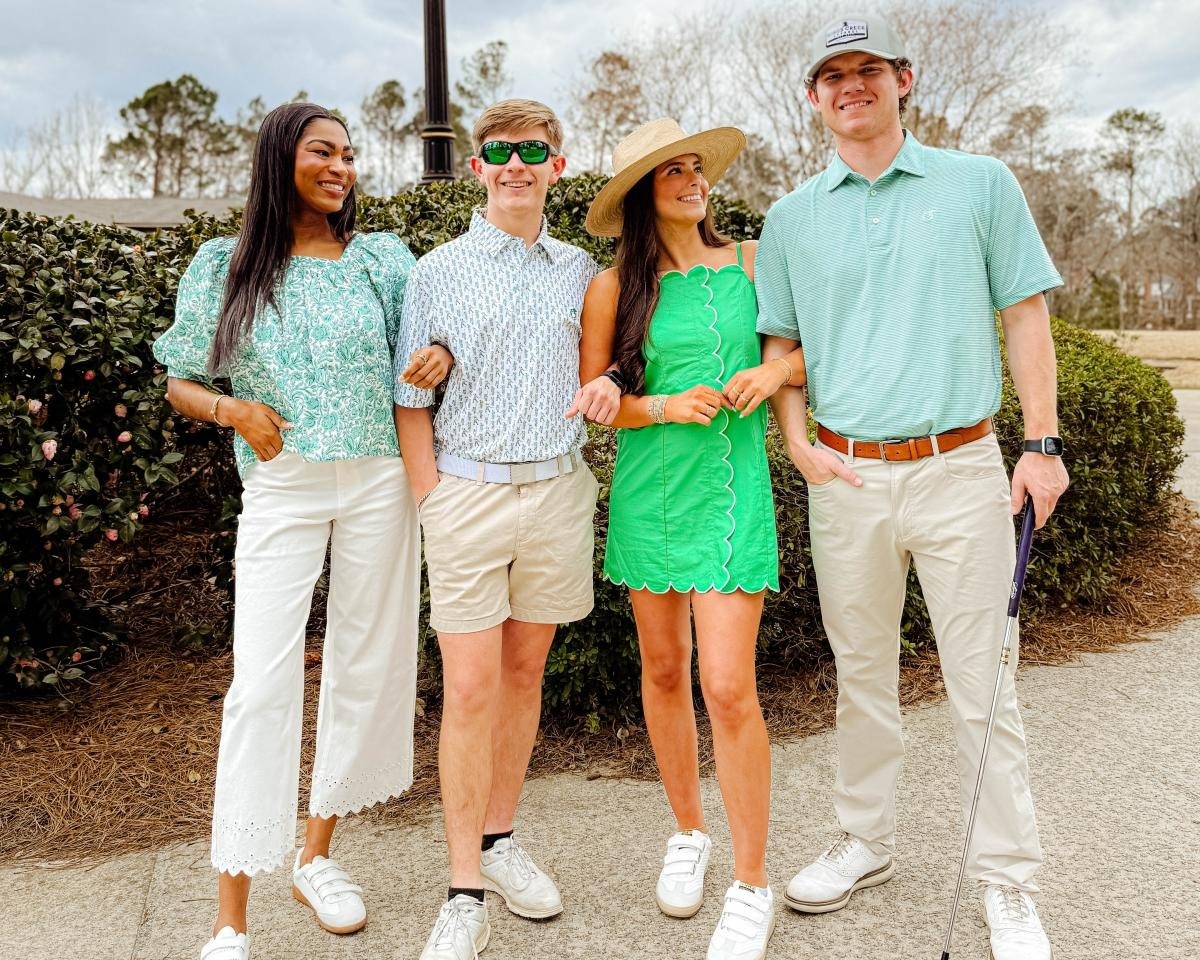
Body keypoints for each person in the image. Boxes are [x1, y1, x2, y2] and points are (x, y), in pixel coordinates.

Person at [754, 16, 1070, 960]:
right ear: (814, 96)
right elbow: (781, 348)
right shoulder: (791, 217)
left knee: (983, 682)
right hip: (846, 475)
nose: (851, 85)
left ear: (904, 79)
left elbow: (1025, 314)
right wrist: (798, 445)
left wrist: (1042, 444)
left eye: (869, 69)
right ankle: (865, 841)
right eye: (833, 75)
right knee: (862, 676)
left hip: (960, 469)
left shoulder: (980, 183)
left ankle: (1007, 879)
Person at [153, 101, 452, 960]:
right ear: (280, 156)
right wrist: (234, 411)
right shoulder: (227, 265)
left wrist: (439, 357)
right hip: (283, 484)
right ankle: (229, 919)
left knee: (366, 664)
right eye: (323, 151)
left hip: (380, 480)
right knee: (259, 684)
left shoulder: (379, 260)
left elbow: (426, 351)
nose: (341, 167)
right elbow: (179, 379)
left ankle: (316, 857)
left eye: (349, 154)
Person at [572, 118, 804, 960]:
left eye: (696, 167)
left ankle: (752, 883)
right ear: (643, 192)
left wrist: (773, 371)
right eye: (672, 171)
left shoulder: (754, 261)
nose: (692, 179)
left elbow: (812, 351)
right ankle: (687, 831)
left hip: (732, 495)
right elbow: (598, 402)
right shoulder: (612, 288)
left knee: (728, 686)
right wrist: (662, 404)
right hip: (651, 497)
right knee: (665, 671)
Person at [392, 99, 602, 960]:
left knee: (523, 677)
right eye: (501, 151)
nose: (518, 164)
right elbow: (410, 396)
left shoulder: (582, 270)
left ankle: (500, 840)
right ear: (478, 167)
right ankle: (462, 892)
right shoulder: (435, 271)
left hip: (556, 493)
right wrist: (431, 498)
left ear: (557, 166)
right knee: (471, 690)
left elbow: (609, 366)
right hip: (466, 497)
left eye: (534, 151)